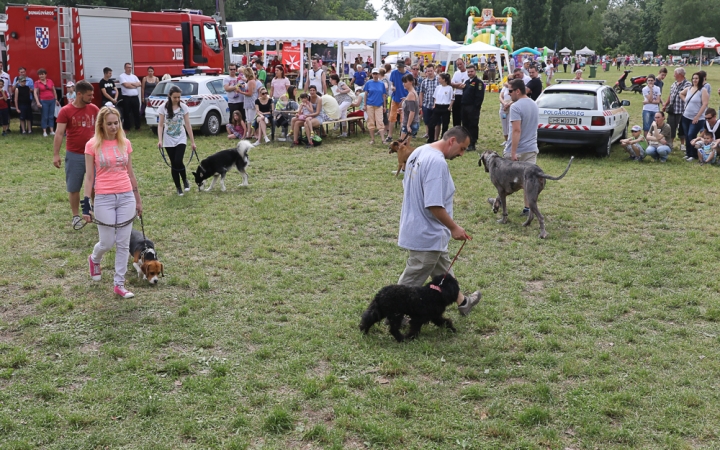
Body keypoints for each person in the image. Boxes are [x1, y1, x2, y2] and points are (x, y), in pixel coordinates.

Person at [397, 125, 481, 316]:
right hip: (426, 234)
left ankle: (463, 302)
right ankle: (394, 312)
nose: (461, 155)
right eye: (461, 148)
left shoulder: (419, 151)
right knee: (413, 278)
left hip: (422, 229)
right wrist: (454, 228)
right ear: (452, 141)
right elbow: (433, 204)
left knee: (442, 271)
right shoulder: (437, 163)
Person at [81, 106, 143, 299]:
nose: (113, 127)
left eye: (116, 123)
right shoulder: (92, 145)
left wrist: (138, 200)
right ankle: (95, 258)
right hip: (104, 197)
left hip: (126, 196)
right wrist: (85, 204)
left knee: (123, 243)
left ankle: (119, 283)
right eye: (109, 123)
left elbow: (130, 173)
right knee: (107, 242)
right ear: (101, 124)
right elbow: (89, 178)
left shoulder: (125, 143)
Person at [53, 80, 99, 229]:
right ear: (79, 94)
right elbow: (59, 133)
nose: (92, 97)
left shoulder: (94, 109)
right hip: (75, 154)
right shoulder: (66, 111)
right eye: (89, 95)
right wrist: (56, 154)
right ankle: (76, 216)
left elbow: (101, 130)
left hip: (93, 154)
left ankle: (96, 213)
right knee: (74, 187)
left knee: (95, 186)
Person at [505, 79, 539, 214]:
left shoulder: (516, 107)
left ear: (517, 91)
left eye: (510, 91)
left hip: (518, 150)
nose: (508, 94)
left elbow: (516, 130)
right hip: (531, 148)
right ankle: (528, 208)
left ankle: (500, 202)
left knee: (504, 179)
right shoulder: (534, 104)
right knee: (528, 181)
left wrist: (513, 152)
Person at [158, 85, 196, 196]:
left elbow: (188, 125)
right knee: (174, 163)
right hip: (168, 139)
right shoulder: (163, 108)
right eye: (175, 97)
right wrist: (160, 140)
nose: (177, 99)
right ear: (170, 96)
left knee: (178, 160)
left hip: (181, 137)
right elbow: (160, 125)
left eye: (179, 97)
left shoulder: (184, 107)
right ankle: (178, 187)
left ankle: (185, 180)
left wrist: (193, 142)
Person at [680, 71, 709, 161]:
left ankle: (693, 154)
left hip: (697, 118)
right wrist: (686, 102)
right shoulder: (689, 88)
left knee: (691, 134)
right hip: (686, 116)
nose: (694, 80)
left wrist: (697, 116)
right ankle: (688, 153)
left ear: (700, 79)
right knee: (686, 135)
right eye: (693, 78)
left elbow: (705, 104)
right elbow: (681, 93)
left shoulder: (703, 90)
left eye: (696, 78)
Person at [662, 67, 691, 153]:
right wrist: (665, 105)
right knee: (671, 127)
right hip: (672, 110)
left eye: (675, 73)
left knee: (682, 128)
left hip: (682, 110)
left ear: (680, 74)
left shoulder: (687, 84)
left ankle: (682, 144)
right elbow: (670, 95)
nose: (674, 75)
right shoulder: (673, 84)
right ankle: (670, 143)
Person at [460, 65, 485, 151]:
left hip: (472, 108)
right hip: (464, 107)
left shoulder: (479, 83)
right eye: (468, 72)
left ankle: (472, 143)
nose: (470, 73)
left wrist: (475, 108)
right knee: (465, 125)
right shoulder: (466, 82)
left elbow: (479, 97)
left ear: (475, 71)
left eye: (471, 71)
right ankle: (466, 142)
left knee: (473, 125)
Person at [363, 68, 388, 145]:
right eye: (374, 74)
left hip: (379, 105)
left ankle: (383, 139)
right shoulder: (368, 83)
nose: (375, 75)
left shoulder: (381, 84)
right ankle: (372, 139)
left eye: (376, 73)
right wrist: (364, 105)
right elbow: (365, 94)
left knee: (380, 122)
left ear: (378, 74)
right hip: (370, 105)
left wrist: (384, 106)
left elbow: (384, 95)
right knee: (370, 122)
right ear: (372, 74)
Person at [386, 61, 408, 142]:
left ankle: (402, 137)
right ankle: (389, 136)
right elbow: (392, 83)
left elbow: (411, 87)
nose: (398, 68)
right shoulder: (394, 73)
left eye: (400, 67)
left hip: (404, 99)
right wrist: (392, 87)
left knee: (403, 119)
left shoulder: (408, 75)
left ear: (403, 66)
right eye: (398, 66)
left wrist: (407, 98)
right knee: (392, 117)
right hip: (395, 98)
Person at [34, 68, 59, 137]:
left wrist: (56, 99)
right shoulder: (37, 83)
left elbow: (54, 90)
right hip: (43, 101)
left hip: (52, 100)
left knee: (51, 116)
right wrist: (38, 102)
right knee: (44, 116)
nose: (41, 76)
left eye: (42, 74)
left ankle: (51, 130)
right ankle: (44, 131)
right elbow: (35, 93)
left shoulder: (50, 81)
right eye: (39, 75)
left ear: (45, 75)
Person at [429, 73, 453, 143]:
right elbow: (435, 97)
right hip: (437, 106)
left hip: (445, 107)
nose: (438, 80)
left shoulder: (450, 88)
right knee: (431, 123)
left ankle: (443, 139)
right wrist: (434, 105)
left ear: (444, 80)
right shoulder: (438, 87)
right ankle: (431, 139)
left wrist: (449, 107)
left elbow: (452, 99)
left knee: (445, 124)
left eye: (440, 78)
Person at [399, 73, 420, 145]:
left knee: (402, 145)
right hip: (412, 122)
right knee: (406, 145)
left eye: (405, 82)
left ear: (411, 82)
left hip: (410, 123)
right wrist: (403, 109)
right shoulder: (412, 93)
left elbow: (412, 111)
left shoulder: (411, 94)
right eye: (403, 82)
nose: (403, 84)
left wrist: (408, 125)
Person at [418, 64, 438, 140]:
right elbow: (421, 93)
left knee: (436, 122)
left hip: (436, 105)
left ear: (434, 70)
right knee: (427, 121)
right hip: (426, 104)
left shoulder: (438, 80)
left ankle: (435, 137)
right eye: (428, 71)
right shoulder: (424, 82)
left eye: (431, 71)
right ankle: (428, 135)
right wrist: (421, 103)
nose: (430, 72)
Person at [450, 59, 468, 127]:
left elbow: (465, 86)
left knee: (464, 115)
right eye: (458, 65)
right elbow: (452, 83)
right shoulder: (456, 73)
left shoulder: (467, 73)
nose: (460, 66)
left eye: (461, 64)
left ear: (464, 63)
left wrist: (457, 85)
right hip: (457, 96)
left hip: (465, 96)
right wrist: (458, 85)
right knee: (456, 115)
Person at [498, 77, 514, 146]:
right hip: (503, 109)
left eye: (512, 79)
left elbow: (515, 99)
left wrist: (508, 104)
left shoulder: (514, 89)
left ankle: (510, 140)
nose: (510, 81)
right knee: (504, 124)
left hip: (510, 108)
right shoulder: (505, 88)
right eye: (509, 80)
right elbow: (500, 96)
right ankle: (506, 140)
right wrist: (504, 103)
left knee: (509, 125)